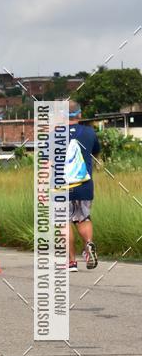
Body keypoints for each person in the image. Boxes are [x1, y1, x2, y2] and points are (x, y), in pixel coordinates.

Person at [68, 101, 100, 271]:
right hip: (84, 185)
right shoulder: (89, 132)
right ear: (79, 114)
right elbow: (96, 151)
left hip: (61, 187)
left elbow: (47, 163)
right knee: (83, 218)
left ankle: (71, 262)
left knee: (63, 222)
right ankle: (88, 245)